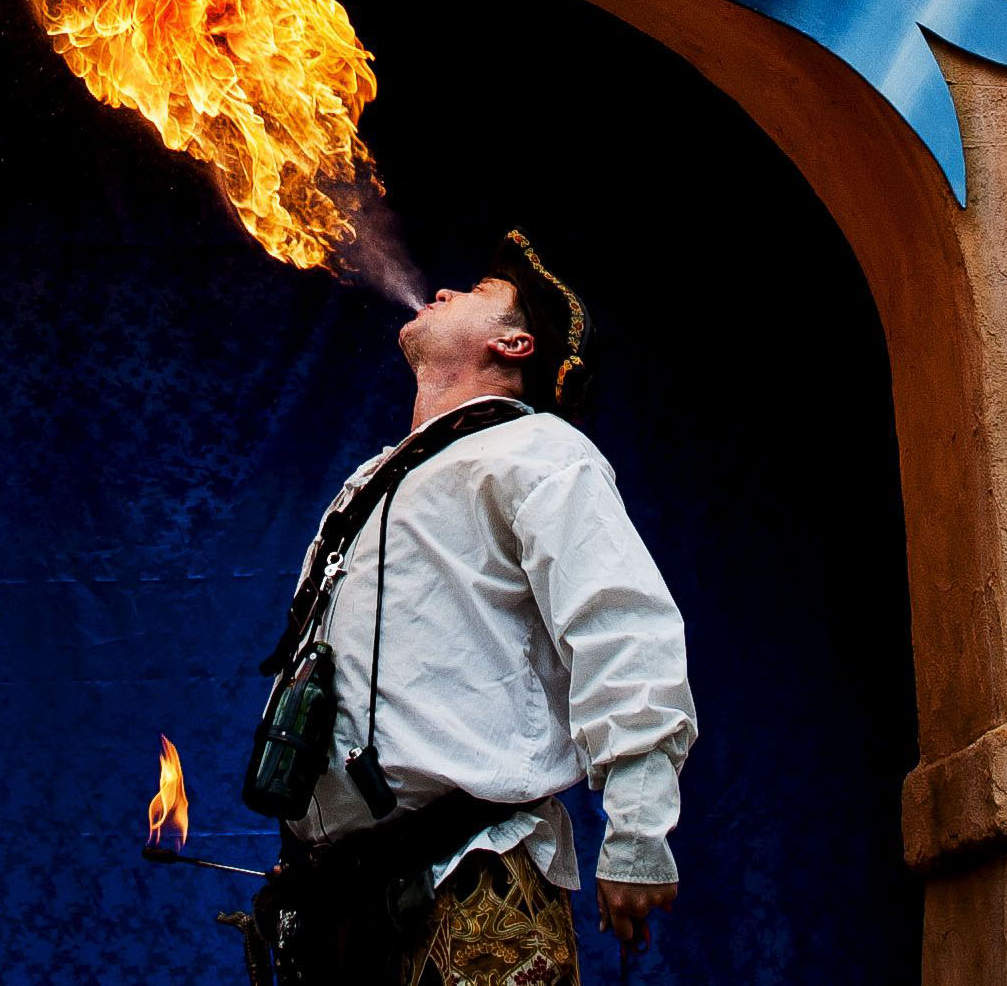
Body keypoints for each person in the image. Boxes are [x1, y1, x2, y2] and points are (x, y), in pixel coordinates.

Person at [249, 232, 695, 984]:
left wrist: (639, 830)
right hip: (342, 903)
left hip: (471, 879)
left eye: (478, 289)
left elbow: (621, 629)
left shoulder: (542, 453)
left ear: (512, 341)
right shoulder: (367, 481)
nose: (445, 290)